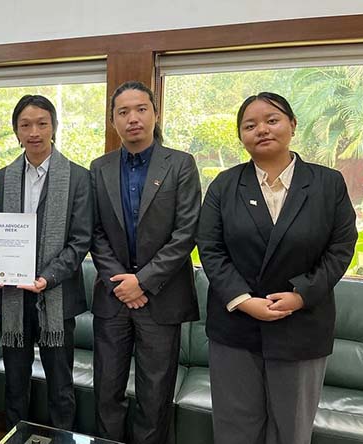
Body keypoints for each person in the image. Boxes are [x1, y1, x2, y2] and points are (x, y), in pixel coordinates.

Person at [196, 92, 357, 444]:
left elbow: (341, 248)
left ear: (292, 125)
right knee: (235, 429)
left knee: (291, 430)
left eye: (272, 120)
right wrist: (242, 298)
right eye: (250, 125)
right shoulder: (224, 185)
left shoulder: (328, 183)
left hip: (301, 325)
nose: (262, 130)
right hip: (236, 326)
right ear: (241, 136)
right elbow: (210, 248)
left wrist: (301, 295)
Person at [90, 81, 201, 444]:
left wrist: (144, 281)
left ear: (155, 114)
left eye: (140, 109)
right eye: (123, 112)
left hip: (161, 298)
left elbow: (186, 233)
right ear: (113, 121)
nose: (133, 118)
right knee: (107, 391)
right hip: (114, 297)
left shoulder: (181, 164)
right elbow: (95, 233)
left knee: (155, 396)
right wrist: (122, 284)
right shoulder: (99, 167)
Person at [0, 95, 93, 431]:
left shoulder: (78, 177)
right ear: (16, 132)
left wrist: (46, 278)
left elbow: (80, 241)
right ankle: (14, 437)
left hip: (57, 297)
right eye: (25, 125)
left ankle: (63, 438)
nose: (34, 131)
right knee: (14, 384)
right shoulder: (4, 177)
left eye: (41, 123)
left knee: (60, 385)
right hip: (13, 299)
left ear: (54, 127)